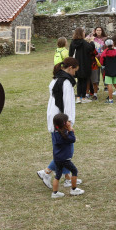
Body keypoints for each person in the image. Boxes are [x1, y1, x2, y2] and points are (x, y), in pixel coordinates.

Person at [37, 58, 80, 190]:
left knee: (62, 148)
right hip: (60, 119)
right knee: (65, 152)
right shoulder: (66, 83)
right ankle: (46, 172)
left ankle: (67, 178)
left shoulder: (56, 79)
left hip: (54, 117)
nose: (75, 74)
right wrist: (68, 123)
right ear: (71, 68)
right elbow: (67, 104)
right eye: (75, 71)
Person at [50, 113, 84, 199]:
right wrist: (71, 131)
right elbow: (72, 139)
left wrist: (68, 130)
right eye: (67, 121)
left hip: (56, 158)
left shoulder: (55, 132)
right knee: (74, 171)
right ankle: (74, 189)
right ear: (64, 124)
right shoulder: (64, 135)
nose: (69, 122)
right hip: (65, 159)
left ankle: (55, 193)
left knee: (58, 175)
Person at [69, 27, 95, 103]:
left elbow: (70, 53)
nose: (84, 33)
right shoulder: (84, 42)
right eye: (83, 32)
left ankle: (78, 98)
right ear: (81, 33)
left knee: (79, 81)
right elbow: (91, 48)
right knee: (83, 81)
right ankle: (83, 97)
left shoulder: (73, 42)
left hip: (75, 64)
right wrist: (92, 41)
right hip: (84, 64)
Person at [99, 38, 116, 104]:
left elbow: (102, 62)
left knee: (109, 85)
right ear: (112, 44)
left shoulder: (104, 53)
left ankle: (110, 99)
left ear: (106, 45)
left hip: (108, 71)